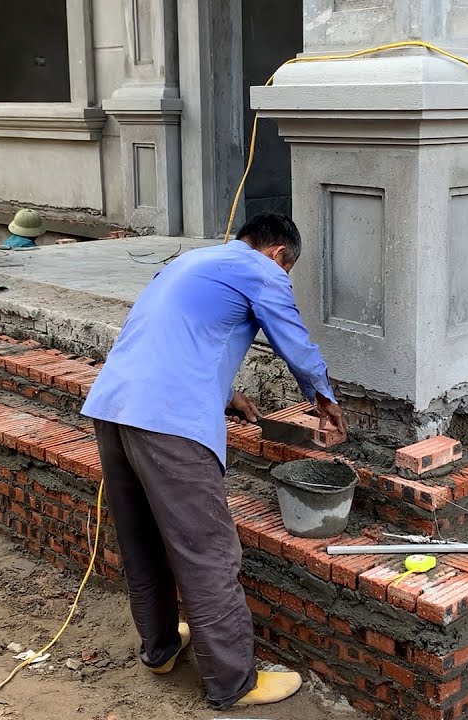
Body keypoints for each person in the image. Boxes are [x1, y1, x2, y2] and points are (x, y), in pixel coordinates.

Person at [81, 212, 346, 709]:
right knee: (209, 552)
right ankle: (233, 682)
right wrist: (323, 397)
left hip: (114, 409)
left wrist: (226, 393)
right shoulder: (263, 270)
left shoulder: (194, 262)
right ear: (277, 255)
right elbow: (294, 338)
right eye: (286, 270)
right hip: (169, 423)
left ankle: (159, 649)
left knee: (141, 539)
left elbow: (177, 340)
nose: (282, 279)